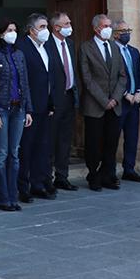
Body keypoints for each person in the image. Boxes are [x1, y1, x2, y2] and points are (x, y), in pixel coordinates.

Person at [0, 20, 33, 210]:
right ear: (1, 33)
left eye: (14, 30)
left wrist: (28, 109)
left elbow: (25, 83)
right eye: (9, 30)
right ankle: (3, 199)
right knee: (2, 154)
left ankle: (13, 196)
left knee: (14, 153)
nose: (13, 33)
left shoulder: (19, 55)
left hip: (18, 109)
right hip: (2, 109)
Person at [78, 14, 128, 191]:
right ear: (96, 28)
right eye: (105, 25)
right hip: (95, 105)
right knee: (93, 142)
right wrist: (103, 100)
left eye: (110, 25)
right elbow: (87, 78)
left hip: (114, 105)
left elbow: (122, 76)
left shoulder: (114, 47)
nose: (109, 29)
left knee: (111, 142)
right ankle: (93, 175)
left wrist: (115, 98)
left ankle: (107, 174)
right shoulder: (86, 47)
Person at [17, 13, 55, 201]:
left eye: (46, 26)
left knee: (42, 147)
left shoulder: (45, 47)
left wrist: (51, 102)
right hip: (29, 107)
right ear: (31, 30)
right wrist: (27, 108)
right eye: (41, 27)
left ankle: (38, 184)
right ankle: (23, 187)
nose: (45, 30)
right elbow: (22, 80)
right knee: (26, 148)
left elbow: (49, 77)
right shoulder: (22, 48)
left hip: (44, 105)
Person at [46, 11, 79, 192]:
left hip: (68, 96)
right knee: (50, 140)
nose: (70, 26)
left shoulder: (70, 44)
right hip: (53, 99)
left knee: (65, 140)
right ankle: (47, 178)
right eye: (66, 24)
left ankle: (62, 176)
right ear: (56, 27)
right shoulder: (47, 44)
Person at [114, 20, 140, 182]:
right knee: (113, 137)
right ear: (115, 33)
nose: (126, 33)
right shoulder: (112, 50)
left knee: (132, 137)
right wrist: (125, 93)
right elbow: (112, 78)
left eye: (128, 30)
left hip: (135, 101)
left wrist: (139, 92)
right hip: (120, 101)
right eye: (122, 30)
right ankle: (109, 170)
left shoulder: (133, 51)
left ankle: (129, 169)